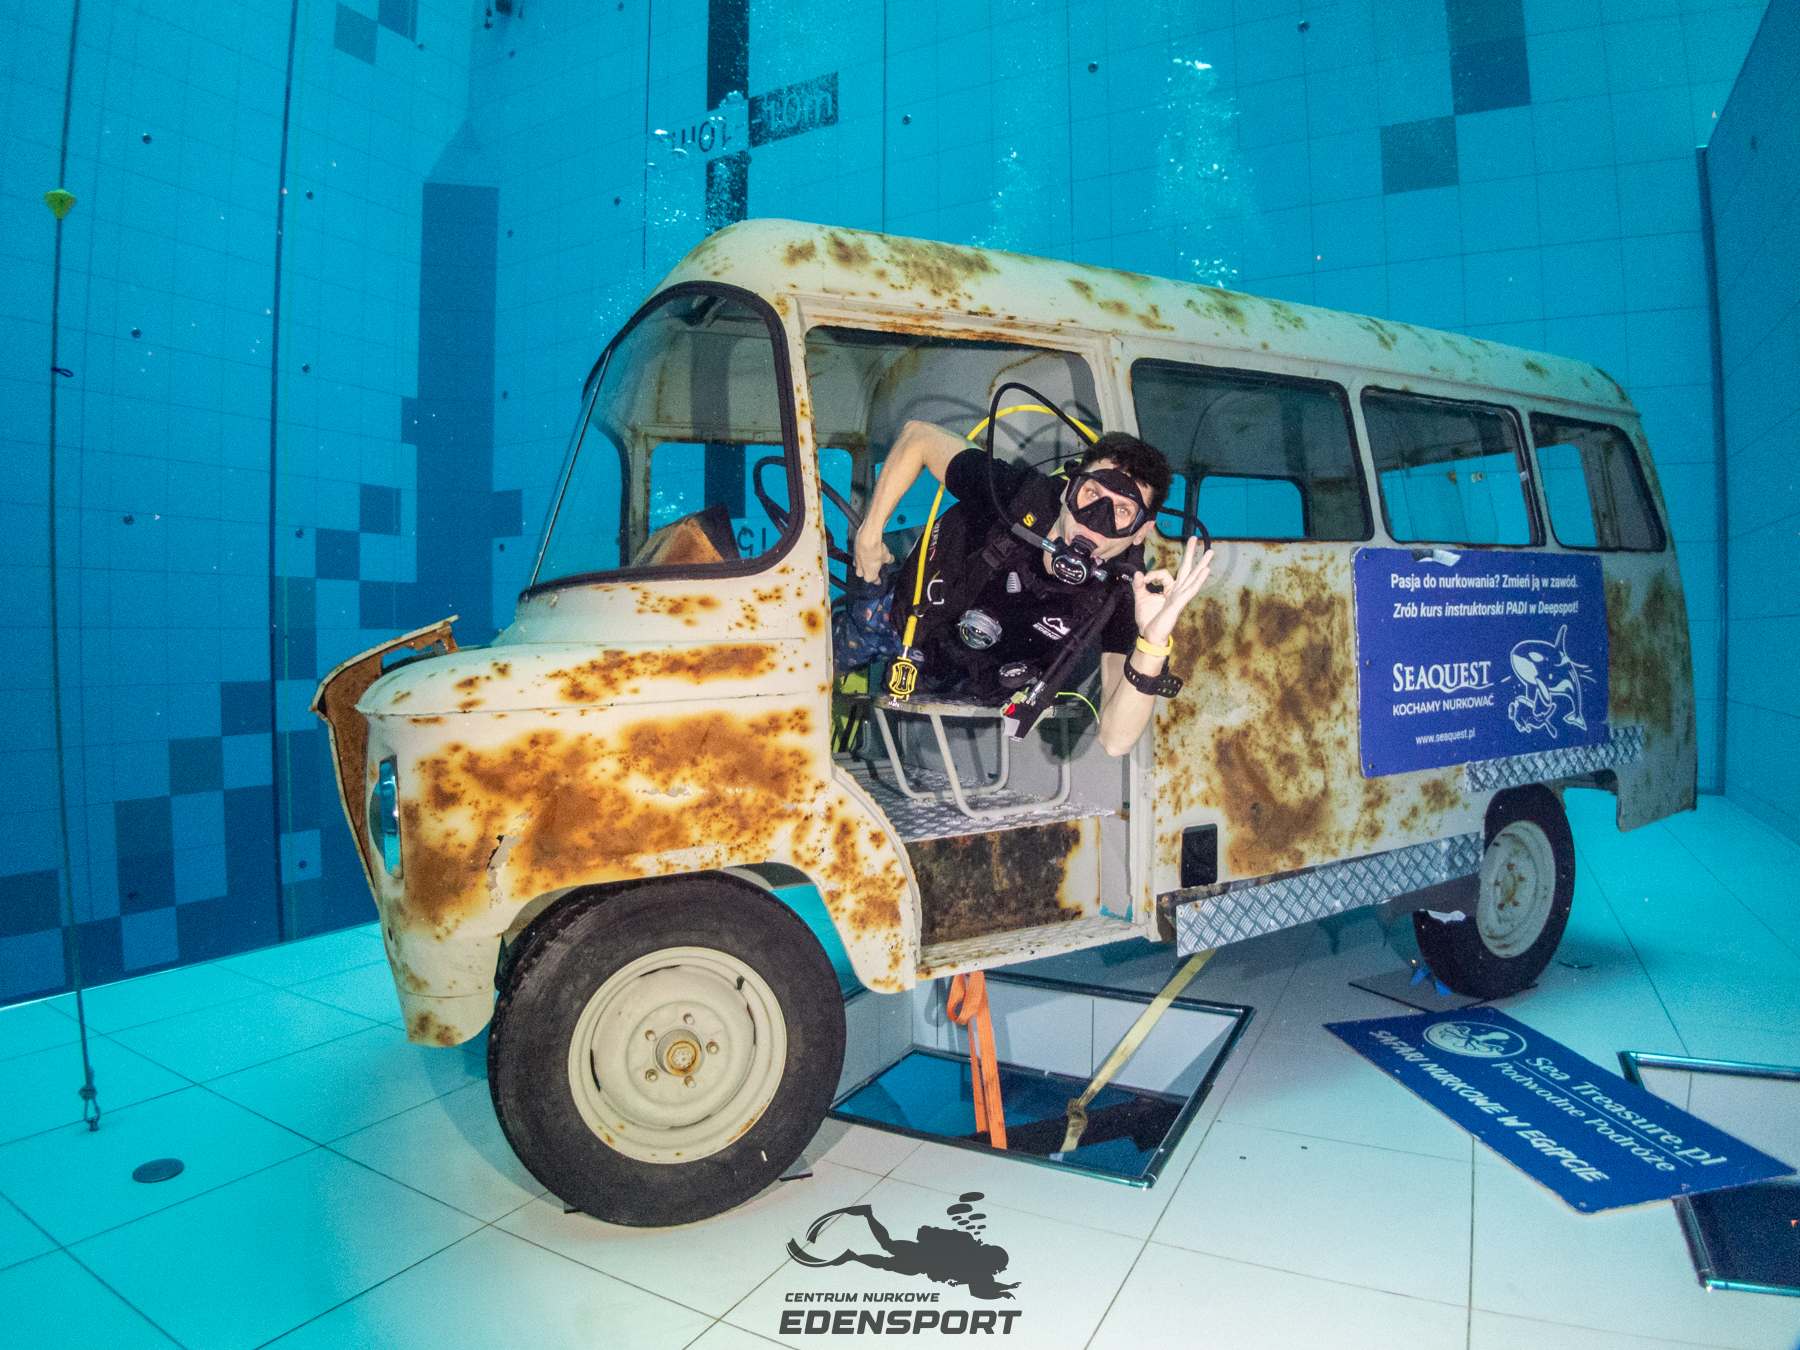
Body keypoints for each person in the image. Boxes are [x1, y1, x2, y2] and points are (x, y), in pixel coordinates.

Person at [838, 418, 1213, 756]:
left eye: (1122, 512)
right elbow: (918, 436)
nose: (1095, 522)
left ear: (1141, 532)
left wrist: (1153, 643)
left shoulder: (1123, 589)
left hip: (971, 678)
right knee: (825, 657)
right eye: (1092, 494)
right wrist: (870, 533)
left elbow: (1116, 741)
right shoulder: (1020, 496)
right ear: (1069, 489)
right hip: (900, 622)